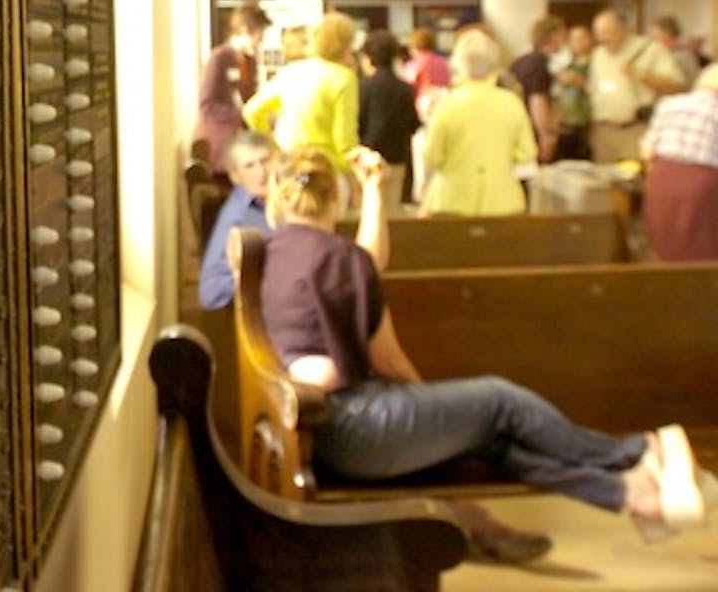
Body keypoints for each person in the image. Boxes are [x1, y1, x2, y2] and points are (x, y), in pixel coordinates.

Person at [259, 144, 707, 544]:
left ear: (279, 199)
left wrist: (374, 190)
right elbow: (389, 359)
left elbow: (362, 264)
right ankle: (637, 451)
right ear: (337, 196)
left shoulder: (276, 251)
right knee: (500, 400)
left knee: (493, 443)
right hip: (361, 426)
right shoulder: (341, 258)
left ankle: (632, 494)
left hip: (325, 433)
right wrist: (427, 404)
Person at [421, 30, 537, 216]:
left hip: (451, 200)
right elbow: (527, 153)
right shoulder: (511, 102)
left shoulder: (446, 104)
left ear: (458, 63)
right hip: (504, 202)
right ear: (493, 63)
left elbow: (431, 156)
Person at [243, 12, 360, 176]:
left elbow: (251, 111)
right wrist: (354, 171)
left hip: (290, 164)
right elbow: (344, 141)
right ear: (347, 44)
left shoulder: (291, 71)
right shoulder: (343, 77)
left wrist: (275, 149)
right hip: (326, 168)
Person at [641, 63, 718, 262]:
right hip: (701, 184)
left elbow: (647, 150)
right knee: (701, 244)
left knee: (665, 239)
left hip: (661, 178)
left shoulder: (669, 104)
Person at [588, 10, 685, 164]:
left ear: (623, 29)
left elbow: (677, 85)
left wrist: (639, 74)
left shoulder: (651, 49)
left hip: (635, 129)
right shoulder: (598, 54)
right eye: (599, 34)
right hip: (603, 130)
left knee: (634, 181)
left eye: (608, 33)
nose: (602, 39)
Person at [198, 132, 274, 311]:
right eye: (250, 166)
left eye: (265, 161)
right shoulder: (237, 218)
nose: (261, 172)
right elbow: (210, 292)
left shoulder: (278, 203)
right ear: (235, 176)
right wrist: (266, 281)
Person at [195, 4, 271, 174]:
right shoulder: (219, 58)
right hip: (218, 143)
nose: (262, 39)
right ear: (245, 29)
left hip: (240, 141)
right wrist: (241, 115)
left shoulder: (249, 61)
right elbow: (207, 104)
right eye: (260, 32)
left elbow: (249, 98)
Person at [357, 29, 419, 214]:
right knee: (393, 214)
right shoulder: (404, 88)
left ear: (368, 58)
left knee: (370, 212)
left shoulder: (363, 87)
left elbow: (358, 122)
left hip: (368, 160)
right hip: (398, 158)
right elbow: (414, 124)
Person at [510, 16, 567, 163]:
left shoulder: (521, 61)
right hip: (531, 131)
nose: (565, 38)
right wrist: (545, 136)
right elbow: (538, 100)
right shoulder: (539, 64)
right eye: (562, 34)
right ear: (552, 35)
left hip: (515, 127)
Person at [553, 24, 594, 161]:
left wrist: (580, 81)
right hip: (566, 122)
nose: (578, 43)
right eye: (573, 40)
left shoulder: (596, 63)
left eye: (582, 38)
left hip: (587, 122)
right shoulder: (568, 65)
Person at [405, 27, 451, 121]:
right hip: (443, 107)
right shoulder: (443, 62)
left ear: (414, 46)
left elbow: (407, 87)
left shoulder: (414, 64)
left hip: (423, 109)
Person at [649, 15, 701, 90]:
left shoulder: (678, 53)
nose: (651, 35)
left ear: (667, 33)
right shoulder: (673, 50)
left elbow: (677, 85)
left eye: (654, 32)